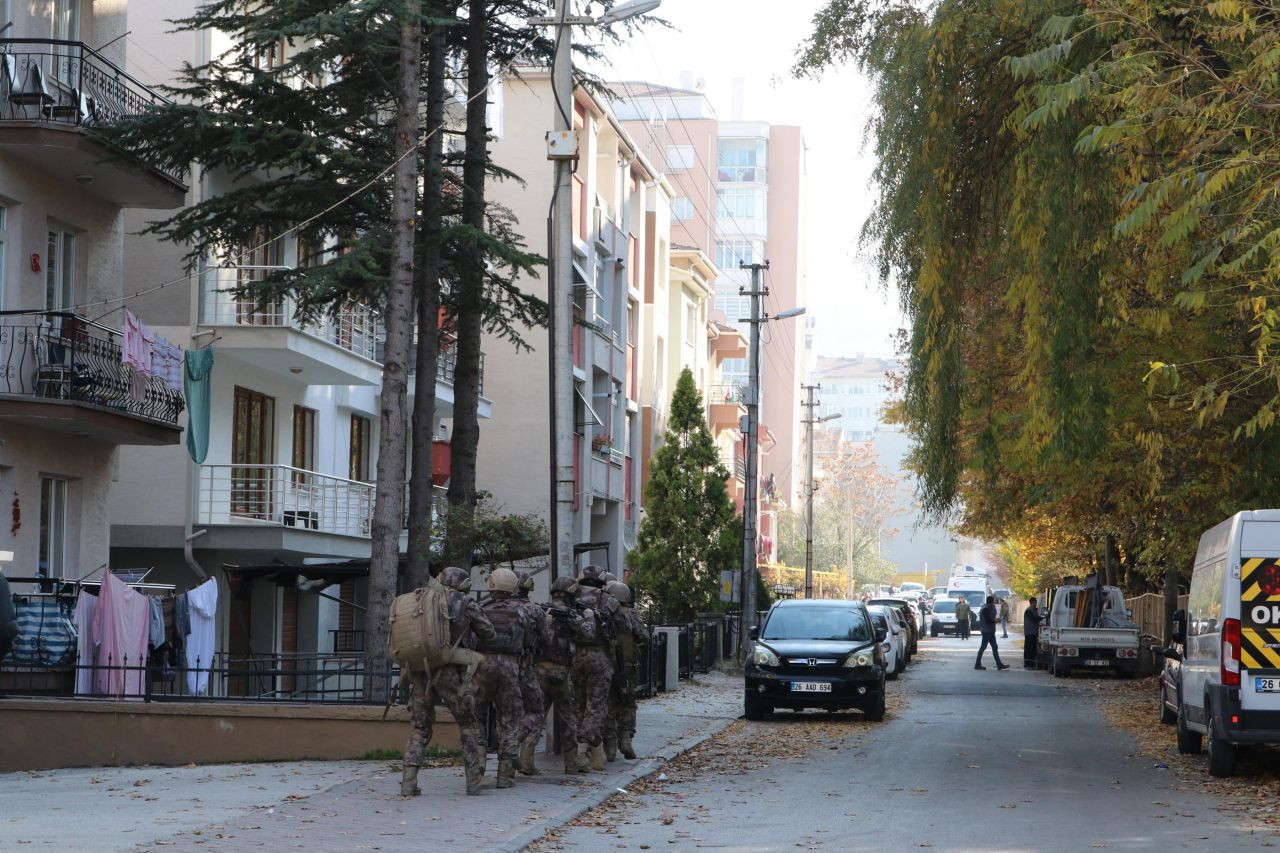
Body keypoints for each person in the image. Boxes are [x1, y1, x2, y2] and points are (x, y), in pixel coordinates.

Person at [402, 567, 496, 797]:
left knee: (419, 727)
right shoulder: (465, 603)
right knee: (468, 724)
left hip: (419, 669)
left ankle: (408, 782)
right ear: (463, 584)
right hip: (450, 672)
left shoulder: (421, 597)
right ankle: (474, 781)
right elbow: (488, 632)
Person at [527, 576, 593, 774]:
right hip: (562, 673)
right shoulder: (572, 614)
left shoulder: (539, 611)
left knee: (536, 715)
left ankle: (525, 759)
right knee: (568, 718)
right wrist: (589, 615)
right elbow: (588, 633)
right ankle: (571, 764)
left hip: (539, 671)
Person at [474, 568, 530, 790]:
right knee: (509, 718)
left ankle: (478, 763)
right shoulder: (523, 612)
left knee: (476, 714)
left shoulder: (480, 609)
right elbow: (532, 639)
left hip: (482, 664)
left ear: (491, 586)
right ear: (514, 587)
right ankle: (505, 774)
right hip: (510, 666)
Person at [573, 565, 617, 771]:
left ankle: (594, 755)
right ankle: (582, 753)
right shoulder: (608, 600)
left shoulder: (571, 598)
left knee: (580, 706)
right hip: (600, 658)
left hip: (575, 657)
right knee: (595, 707)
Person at [604, 580, 647, 760]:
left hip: (606, 666)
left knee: (609, 704)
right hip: (627, 667)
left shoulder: (603, 613)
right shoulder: (630, 614)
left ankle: (611, 746)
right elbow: (644, 635)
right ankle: (626, 740)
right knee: (628, 703)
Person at [512, 570, 549, 777]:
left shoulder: (487, 607)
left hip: (488, 668)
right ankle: (522, 756)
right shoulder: (534, 610)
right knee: (535, 711)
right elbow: (547, 639)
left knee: (504, 716)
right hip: (523, 668)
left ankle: (491, 768)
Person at [975, 594, 1010, 671]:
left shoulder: (989, 608)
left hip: (990, 631)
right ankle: (977, 664)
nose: (994, 604)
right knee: (983, 647)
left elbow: (991, 617)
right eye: (993, 602)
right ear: (990, 602)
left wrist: (995, 620)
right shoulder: (985, 609)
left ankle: (999, 665)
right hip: (986, 631)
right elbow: (988, 620)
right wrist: (995, 621)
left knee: (994, 647)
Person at [1023, 596, 1042, 669]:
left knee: (1033, 649)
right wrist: (1041, 617)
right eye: (1034, 602)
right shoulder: (1029, 610)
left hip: (1033, 632)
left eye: (1036, 602)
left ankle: (1032, 664)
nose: (1035, 604)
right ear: (1031, 603)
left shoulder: (1033, 610)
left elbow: (1035, 619)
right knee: (1029, 649)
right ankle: (1027, 664)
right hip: (1029, 632)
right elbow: (1034, 619)